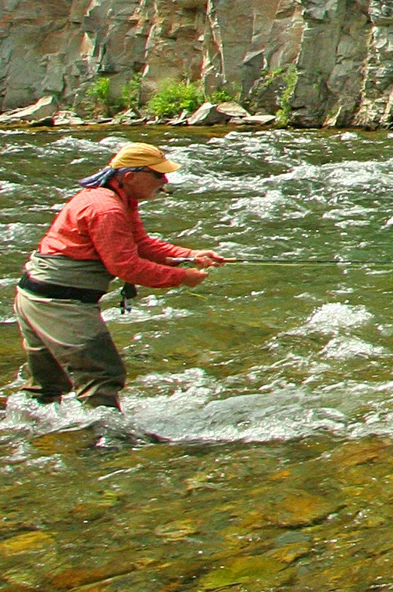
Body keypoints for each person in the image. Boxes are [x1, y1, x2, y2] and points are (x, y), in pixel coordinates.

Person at [15, 142, 232, 410]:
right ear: (129, 176)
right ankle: (106, 445)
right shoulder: (106, 208)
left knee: (47, 386)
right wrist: (182, 277)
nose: (164, 180)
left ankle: (36, 434)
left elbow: (140, 243)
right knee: (102, 375)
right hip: (58, 303)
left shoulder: (120, 199)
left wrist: (189, 254)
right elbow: (126, 266)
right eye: (157, 174)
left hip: (38, 296)